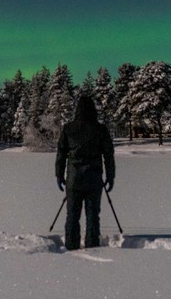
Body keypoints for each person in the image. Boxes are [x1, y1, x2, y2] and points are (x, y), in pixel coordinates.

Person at [54, 94, 115, 250]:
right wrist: (110, 175)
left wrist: (59, 175)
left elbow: (61, 153)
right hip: (94, 178)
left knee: (73, 215)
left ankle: (71, 245)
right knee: (93, 215)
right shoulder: (100, 129)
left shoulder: (68, 128)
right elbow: (108, 153)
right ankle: (92, 246)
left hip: (74, 179)